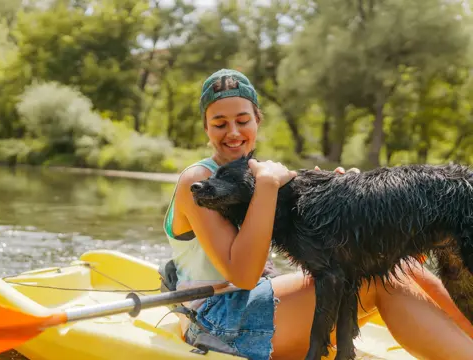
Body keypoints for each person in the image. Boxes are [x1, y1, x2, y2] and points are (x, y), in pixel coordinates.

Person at [161, 68, 473, 360]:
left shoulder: (261, 173)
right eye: (219, 124)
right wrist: (268, 186)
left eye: (243, 121)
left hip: (260, 298)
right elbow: (244, 275)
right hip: (219, 319)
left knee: (402, 267)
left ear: (257, 120)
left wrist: (340, 196)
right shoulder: (199, 181)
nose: (232, 132)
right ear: (205, 127)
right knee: (378, 282)